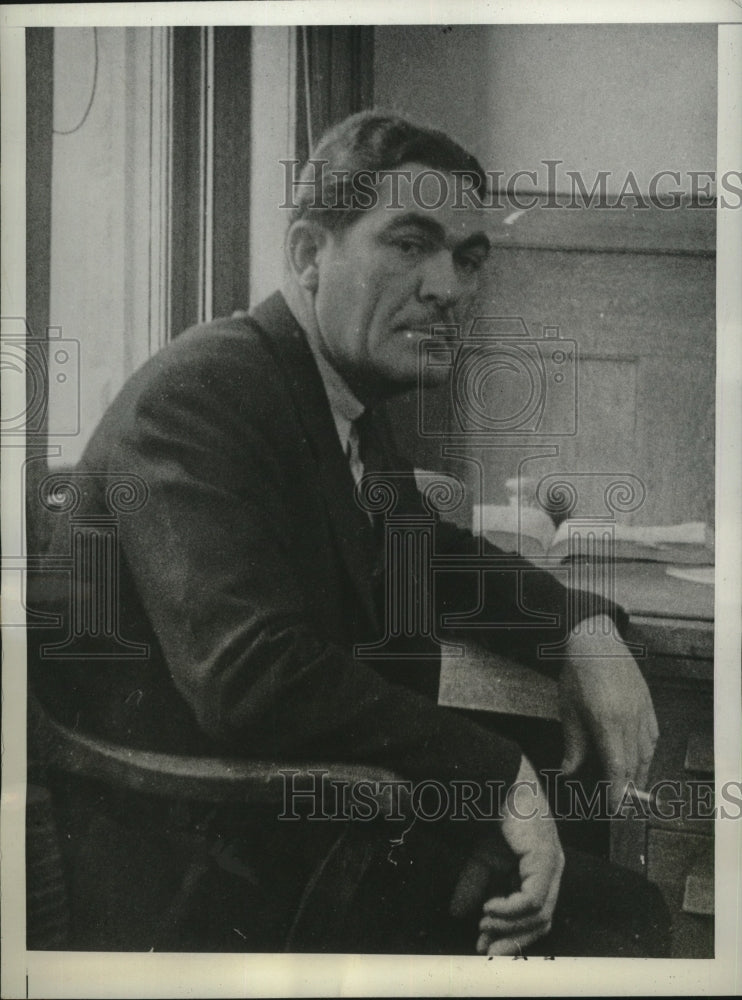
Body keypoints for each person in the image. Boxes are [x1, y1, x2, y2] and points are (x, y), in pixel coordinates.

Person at [32, 110, 668, 956]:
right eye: (410, 243)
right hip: (208, 889)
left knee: (618, 900)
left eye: (468, 257)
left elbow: (429, 559)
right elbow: (251, 678)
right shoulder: (200, 394)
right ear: (306, 255)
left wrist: (580, 626)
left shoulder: (337, 398)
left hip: (313, 834)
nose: (448, 285)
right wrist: (496, 777)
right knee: (621, 923)